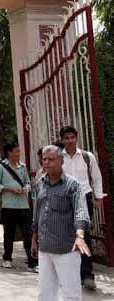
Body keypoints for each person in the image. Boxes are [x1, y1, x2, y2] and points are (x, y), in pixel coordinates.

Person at [32, 144, 90, 301]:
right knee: (45, 293)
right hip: (45, 248)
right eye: (44, 159)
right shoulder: (40, 183)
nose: (46, 162)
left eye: (51, 159)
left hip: (67, 249)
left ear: (61, 161)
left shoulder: (72, 184)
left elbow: (80, 211)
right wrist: (34, 238)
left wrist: (80, 236)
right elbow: (37, 213)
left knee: (71, 294)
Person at [59, 126, 106, 290]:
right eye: (66, 138)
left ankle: (87, 275)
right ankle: (70, 274)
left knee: (83, 235)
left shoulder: (87, 157)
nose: (70, 141)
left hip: (84, 199)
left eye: (72, 137)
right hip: (64, 200)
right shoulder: (58, 158)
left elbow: (96, 177)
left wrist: (98, 197)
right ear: (62, 140)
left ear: (76, 138)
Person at [0, 141, 36, 271]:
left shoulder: (22, 167)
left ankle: (32, 262)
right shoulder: (0, 167)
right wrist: (9, 189)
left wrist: (26, 188)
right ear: (9, 152)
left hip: (23, 206)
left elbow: (27, 183)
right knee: (9, 234)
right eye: (16, 151)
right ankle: (7, 258)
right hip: (8, 206)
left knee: (28, 234)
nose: (19, 154)